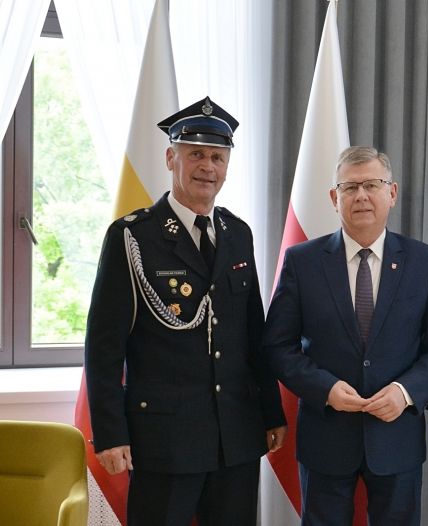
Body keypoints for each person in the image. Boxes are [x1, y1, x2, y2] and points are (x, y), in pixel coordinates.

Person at [85, 96, 287, 526]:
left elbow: (255, 334)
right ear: (170, 158)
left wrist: (271, 411)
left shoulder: (237, 232)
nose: (207, 167)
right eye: (195, 154)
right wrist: (110, 433)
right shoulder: (133, 237)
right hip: (165, 439)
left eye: (218, 156)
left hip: (235, 435)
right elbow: (104, 347)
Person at [264, 146, 428, 526]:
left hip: (396, 437)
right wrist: (325, 389)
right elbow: (277, 345)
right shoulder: (302, 261)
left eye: (372, 185)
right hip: (326, 438)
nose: (361, 196)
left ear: (392, 193)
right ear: (334, 197)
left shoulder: (423, 262)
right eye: (350, 187)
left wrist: (405, 392)